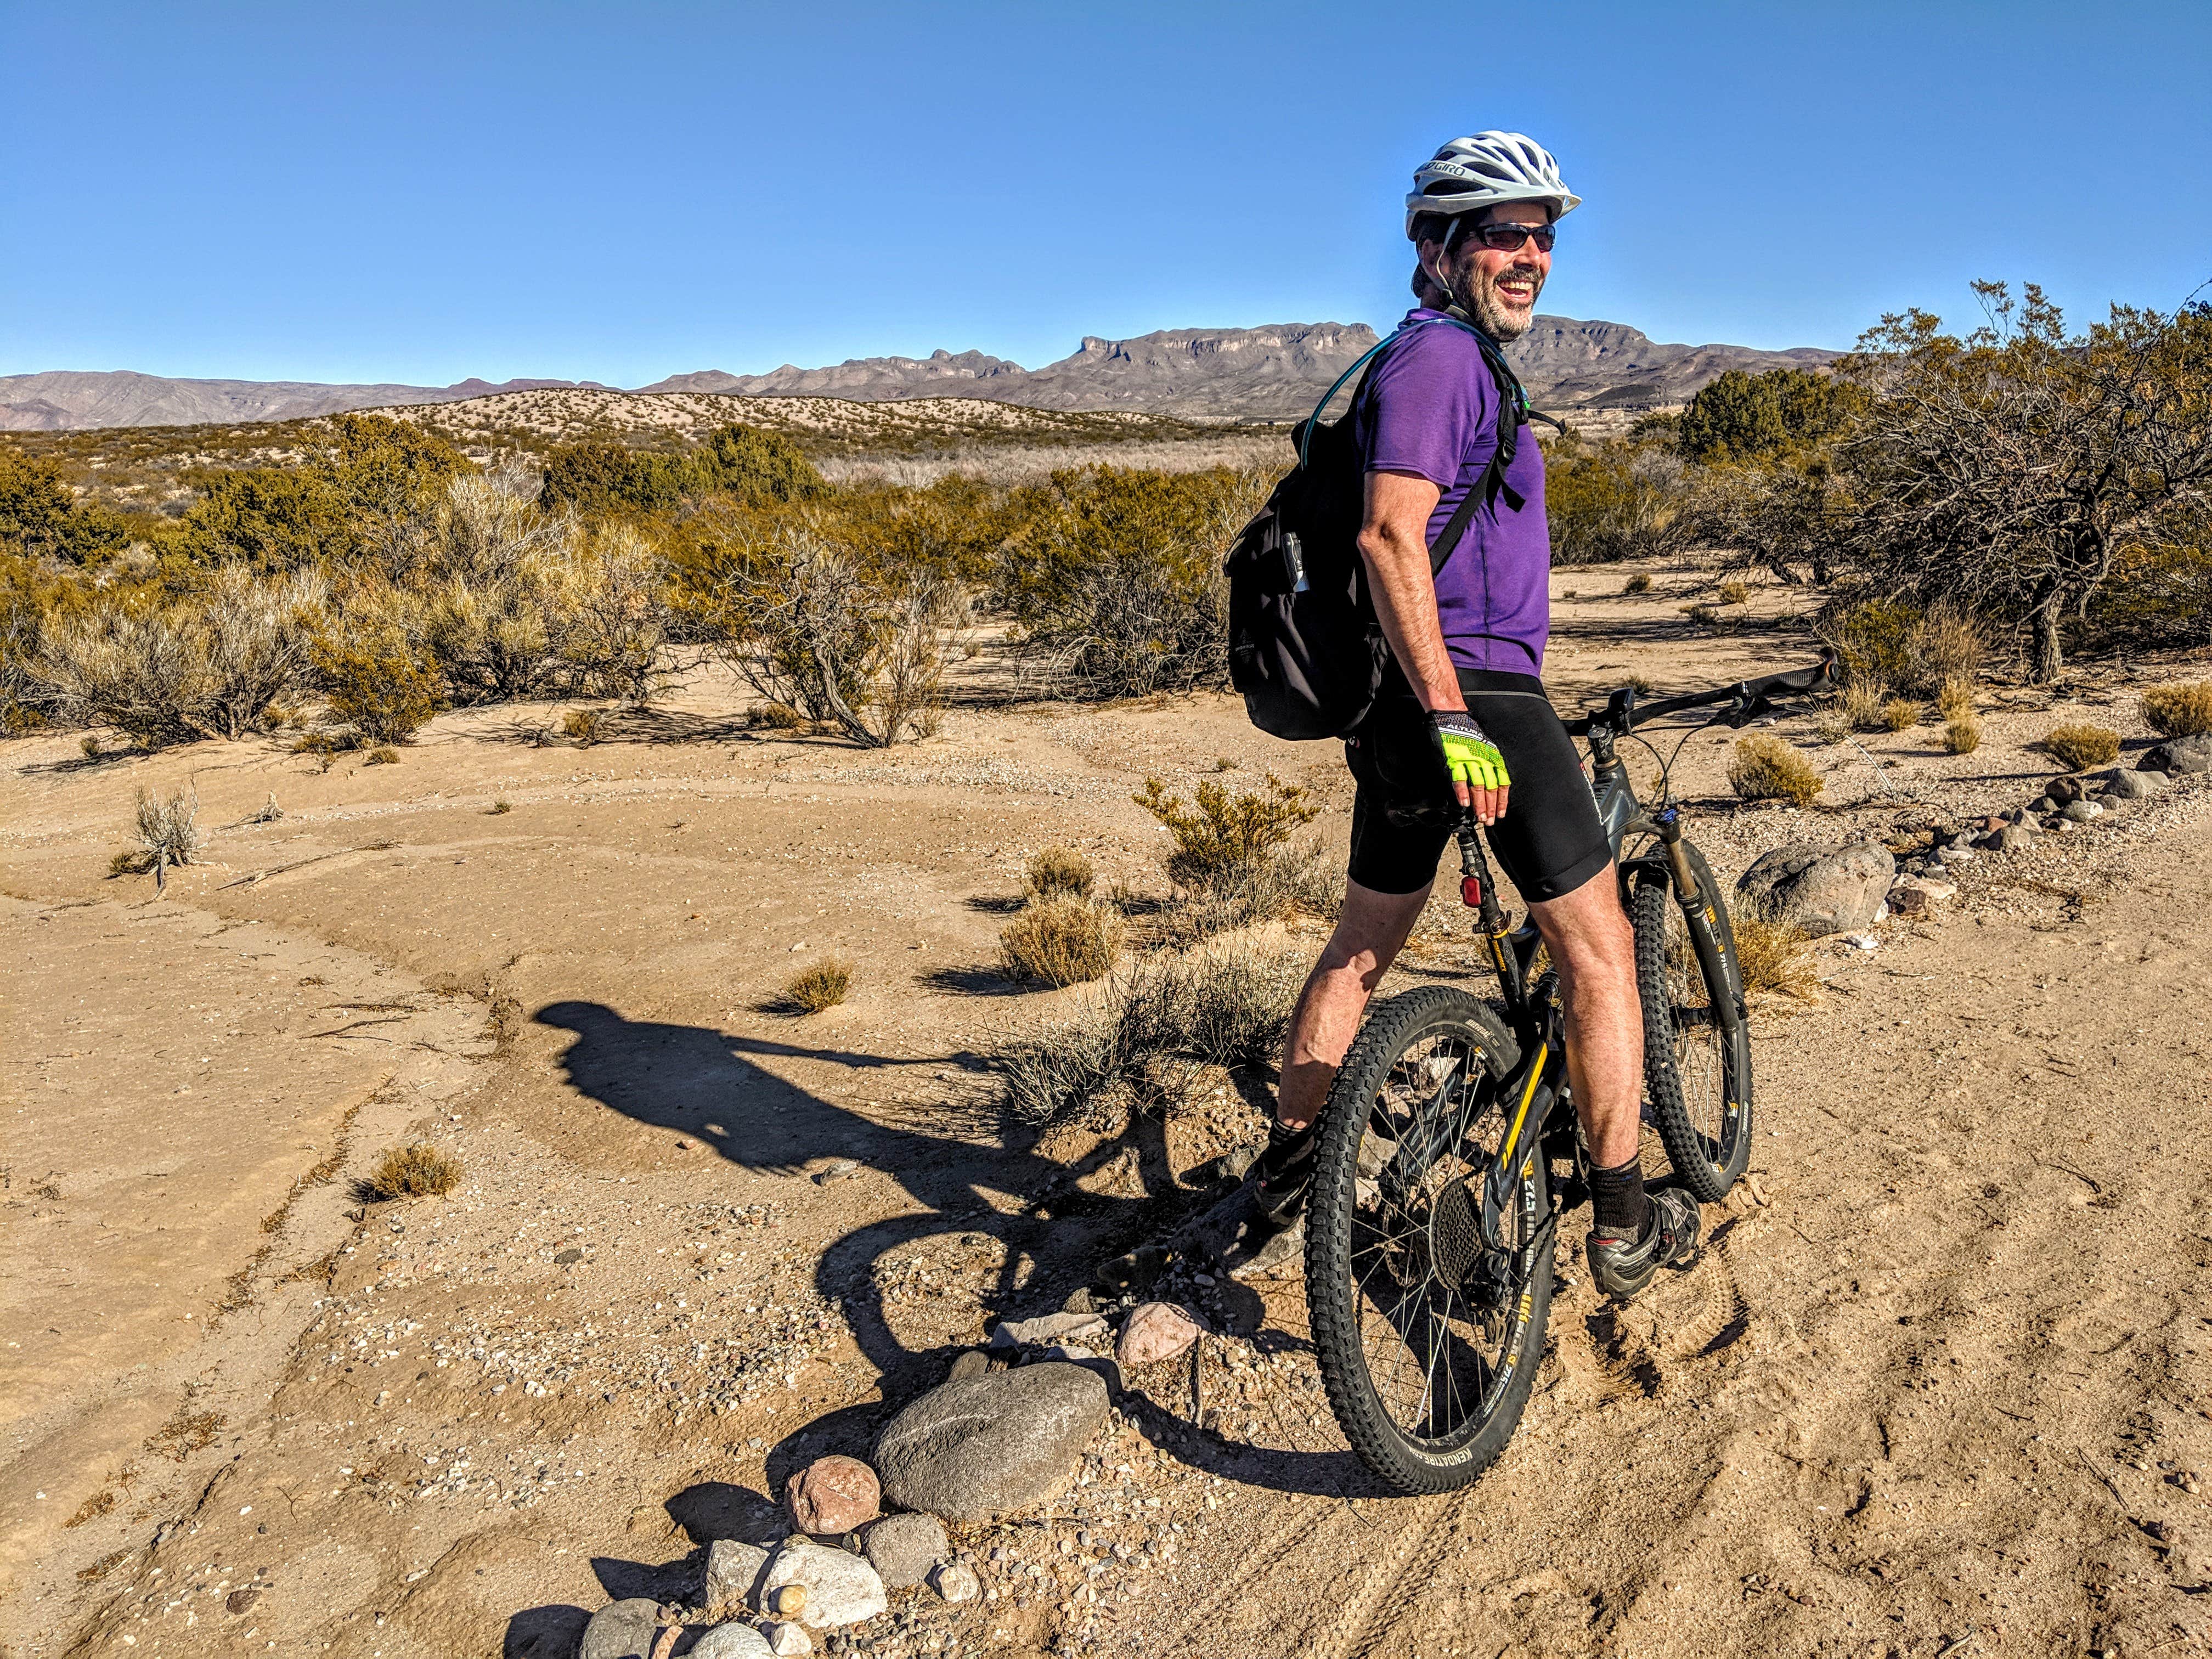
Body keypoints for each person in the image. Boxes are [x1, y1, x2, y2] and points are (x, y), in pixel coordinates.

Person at [1244, 132, 1699, 1299]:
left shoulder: (1430, 360)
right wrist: (1457, 713)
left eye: (1545, 236)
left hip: (1406, 707)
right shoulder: (1443, 364)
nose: (1534, 256)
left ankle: (1288, 1172)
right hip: (1477, 698)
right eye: (1506, 233)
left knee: (1360, 945)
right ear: (1439, 248)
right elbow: (1389, 536)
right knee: (1597, 956)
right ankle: (1621, 1215)